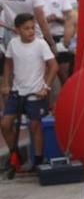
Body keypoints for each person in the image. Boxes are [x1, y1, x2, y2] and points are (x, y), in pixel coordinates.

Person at [1, 13, 57, 172]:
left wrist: (45, 88)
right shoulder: (13, 43)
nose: (31, 31)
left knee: (35, 125)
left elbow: (53, 66)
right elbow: (7, 64)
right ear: (17, 30)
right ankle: (15, 154)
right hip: (17, 91)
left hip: (36, 92)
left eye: (33, 28)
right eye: (26, 29)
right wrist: (6, 84)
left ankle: (38, 160)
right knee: (5, 124)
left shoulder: (40, 44)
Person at [30, 0, 75, 84]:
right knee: (45, 76)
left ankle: (67, 99)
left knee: (64, 74)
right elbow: (31, 21)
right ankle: (47, 101)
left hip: (60, 37)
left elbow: (70, 18)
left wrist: (58, 20)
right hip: (41, 39)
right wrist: (45, 20)